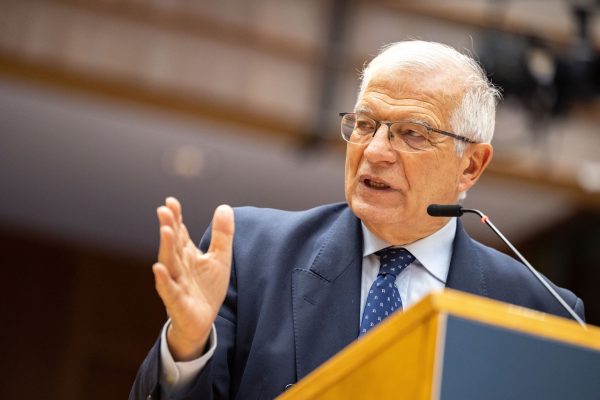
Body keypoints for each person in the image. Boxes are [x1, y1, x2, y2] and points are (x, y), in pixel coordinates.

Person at [130, 40, 585, 400]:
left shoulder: (540, 310)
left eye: (412, 133)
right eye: (365, 124)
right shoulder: (252, 254)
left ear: (471, 166)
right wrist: (186, 348)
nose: (375, 151)